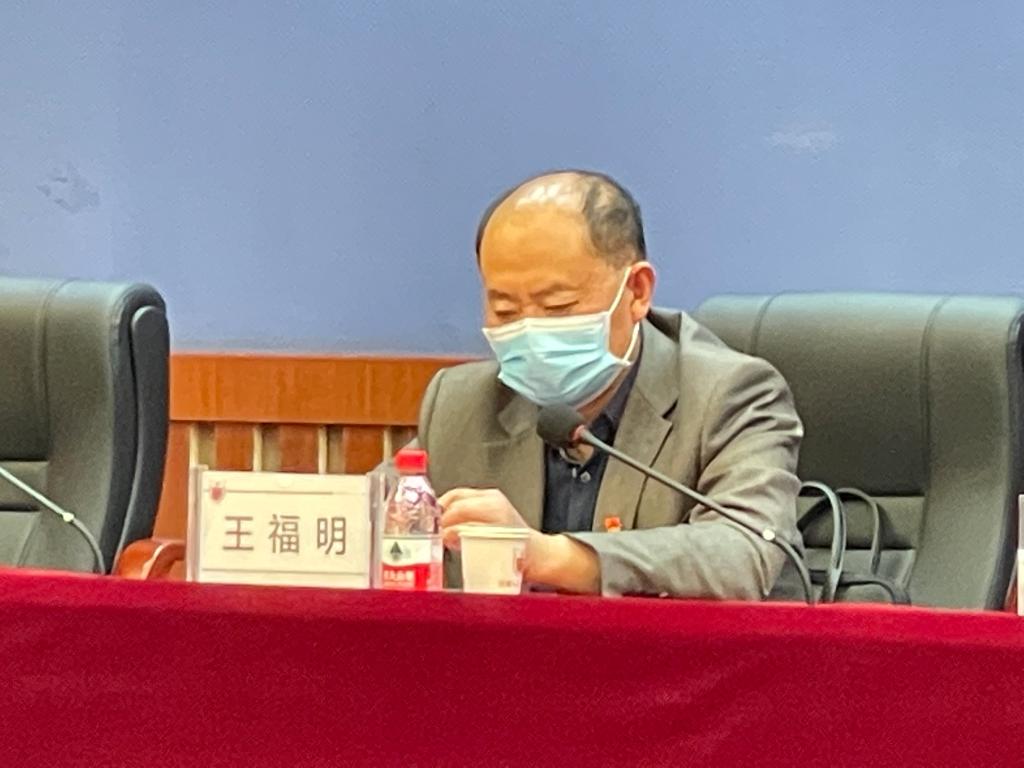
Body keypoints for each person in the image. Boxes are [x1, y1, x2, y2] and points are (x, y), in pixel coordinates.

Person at [418, 170, 803, 598]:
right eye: (505, 310)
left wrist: (547, 556)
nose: (529, 329)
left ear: (637, 291)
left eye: (557, 306)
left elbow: (742, 551)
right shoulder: (460, 404)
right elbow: (381, 518)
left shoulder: (730, 394)